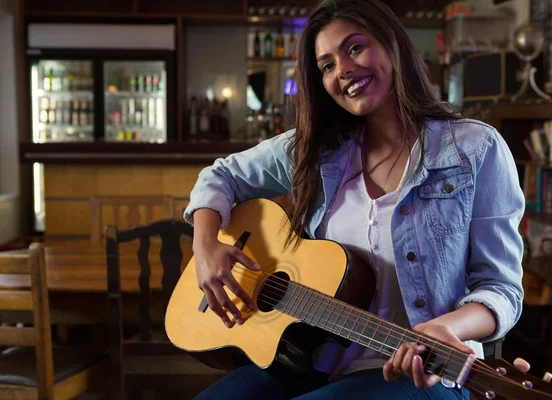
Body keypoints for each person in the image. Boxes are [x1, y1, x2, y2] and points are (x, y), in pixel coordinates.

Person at [183, 0, 525, 398]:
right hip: (307, 358)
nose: (342, 69)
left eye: (356, 47)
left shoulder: (474, 148)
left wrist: (447, 329)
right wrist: (206, 245)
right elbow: (220, 176)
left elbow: (501, 289)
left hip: (421, 376)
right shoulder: (317, 150)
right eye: (326, 65)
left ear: (393, 46)